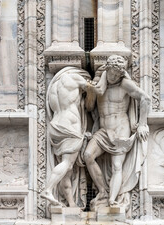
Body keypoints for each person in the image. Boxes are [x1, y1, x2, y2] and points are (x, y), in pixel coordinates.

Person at [83, 55, 151, 207]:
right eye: (111, 72)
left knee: (117, 166)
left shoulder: (125, 84)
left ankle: (112, 200)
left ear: (121, 73)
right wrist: (91, 90)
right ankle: (102, 191)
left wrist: (142, 124)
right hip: (103, 129)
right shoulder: (100, 84)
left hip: (121, 128)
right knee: (88, 155)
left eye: (117, 74)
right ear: (107, 69)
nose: (113, 76)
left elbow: (145, 98)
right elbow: (89, 107)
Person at [41, 67, 100, 208]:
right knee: (67, 164)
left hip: (55, 125)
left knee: (67, 169)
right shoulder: (75, 78)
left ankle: (71, 204)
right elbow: (91, 99)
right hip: (70, 126)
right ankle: (48, 190)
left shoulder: (55, 84)